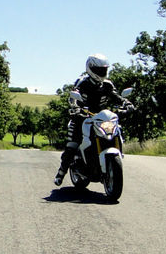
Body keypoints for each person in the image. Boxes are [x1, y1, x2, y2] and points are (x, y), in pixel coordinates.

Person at [54, 53, 132, 186]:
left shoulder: (107, 85)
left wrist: (127, 103)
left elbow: (117, 97)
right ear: (90, 69)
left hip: (102, 118)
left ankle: (113, 157)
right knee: (72, 145)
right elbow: (73, 97)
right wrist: (76, 108)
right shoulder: (83, 83)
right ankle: (61, 172)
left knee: (117, 129)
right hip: (83, 118)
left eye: (104, 70)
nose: (102, 72)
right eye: (99, 70)